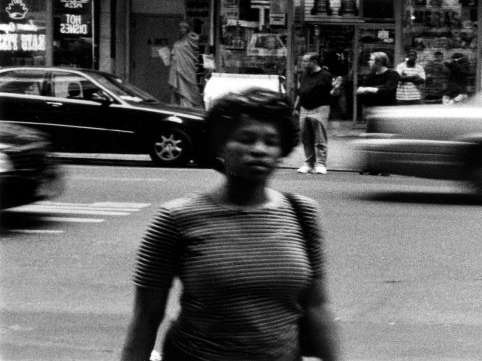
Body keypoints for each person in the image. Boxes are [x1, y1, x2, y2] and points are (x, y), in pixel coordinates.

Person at [120, 88, 342, 361]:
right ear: (220, 146)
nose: (259, 150)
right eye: (246, 139)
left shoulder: (302, 213)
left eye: (270, 141)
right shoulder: (176, 219)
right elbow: (145, 319)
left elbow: (318, 307)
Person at [294, 52, 336, 175]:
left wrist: (336, 88)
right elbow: (300, 92)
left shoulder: (325, 75)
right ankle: (308, 163)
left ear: (314, 62)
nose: (303, 64)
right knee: (306, 138)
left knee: (320, 138)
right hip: (304, 108)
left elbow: (331, 93)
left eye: (305, 61)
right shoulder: (304, 75)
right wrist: (295, 107)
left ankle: (321, 164)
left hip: (320, 108)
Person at [168, 20, 201, 108]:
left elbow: (196, 38)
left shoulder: (190, 39)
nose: (182, 29)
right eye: (180, 27)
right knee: (179, 89)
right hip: (177, 69)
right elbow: (173, 55)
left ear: (188, 29)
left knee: (191, 87)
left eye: (185, 27)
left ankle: (191, 105)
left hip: (188, 69)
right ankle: (182, 106)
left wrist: (191, 34)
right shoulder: (177, 43)